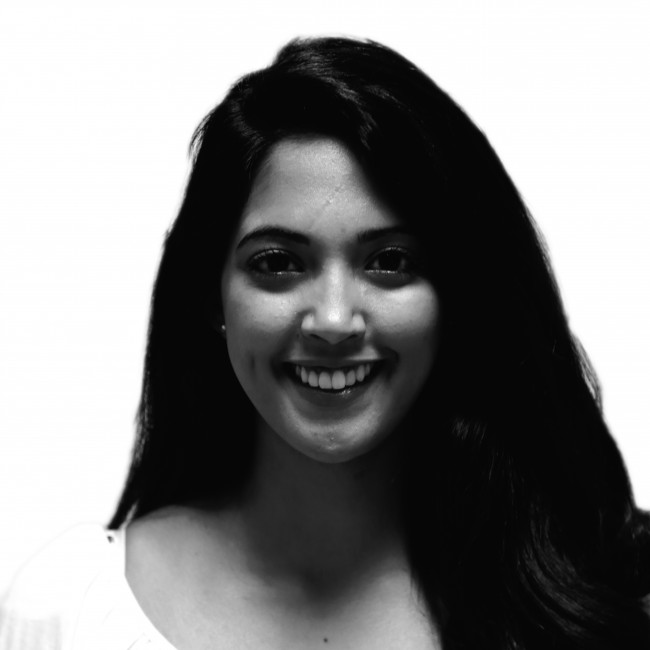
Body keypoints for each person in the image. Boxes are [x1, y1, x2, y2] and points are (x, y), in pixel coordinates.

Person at [1, 35, 649, 650]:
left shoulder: (604, 598)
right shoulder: (72, 606)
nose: (334, 321)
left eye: (390, 261)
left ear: (458, 297)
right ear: (211, 296)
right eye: (278, 263)